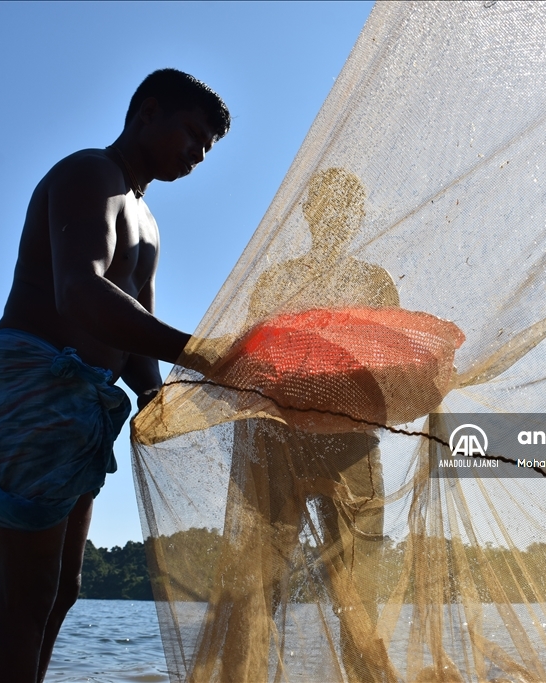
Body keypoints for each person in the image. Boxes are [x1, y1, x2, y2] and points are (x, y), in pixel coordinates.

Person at [0, 68, 228, 683]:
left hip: (86, 404)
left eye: (207, 149)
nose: (196, 153)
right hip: (35, 382)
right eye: (191, 133)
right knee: (26, 596)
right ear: (148, 113)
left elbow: (135, 328)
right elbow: (79, 294)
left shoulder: (148, 220)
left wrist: (157, 395)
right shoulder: (90, 174)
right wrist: (207, 354)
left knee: (62, 590)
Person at [205, 168, 400, 682]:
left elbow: (390, 361)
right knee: (256, 591)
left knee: (359, 596)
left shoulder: (374, 283)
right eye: (326, 207)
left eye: (346, 208)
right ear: (310, 215)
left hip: (349, 445)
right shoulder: (278, 282)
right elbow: (252, 361)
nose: (335, 217)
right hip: (278, 443)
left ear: (357, 219)